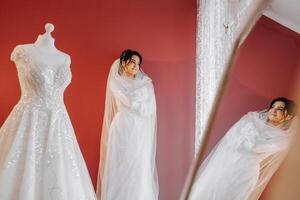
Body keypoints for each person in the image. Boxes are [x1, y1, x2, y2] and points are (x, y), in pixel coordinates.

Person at [189, 97, 297, 200]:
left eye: (280, 109)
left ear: (289, 116)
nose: (273, 110)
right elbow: (232, 139)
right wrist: (247, 139)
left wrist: (246, 134)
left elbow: (256, 148)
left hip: (245, 172)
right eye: (273, 107)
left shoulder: (282, 140)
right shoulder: (251, 118)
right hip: (225, 164)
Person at [97, 49, 158, 200]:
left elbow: (149, 108)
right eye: (133, 62)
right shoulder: (115, 81)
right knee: (121, 165)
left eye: (138, 63)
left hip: (140, 130)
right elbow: (129, 102)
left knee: (139, 166)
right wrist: (140, 96)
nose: (136, 66)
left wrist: (141, 98)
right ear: (123, 63)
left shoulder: (145, 83)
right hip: (122, 127)